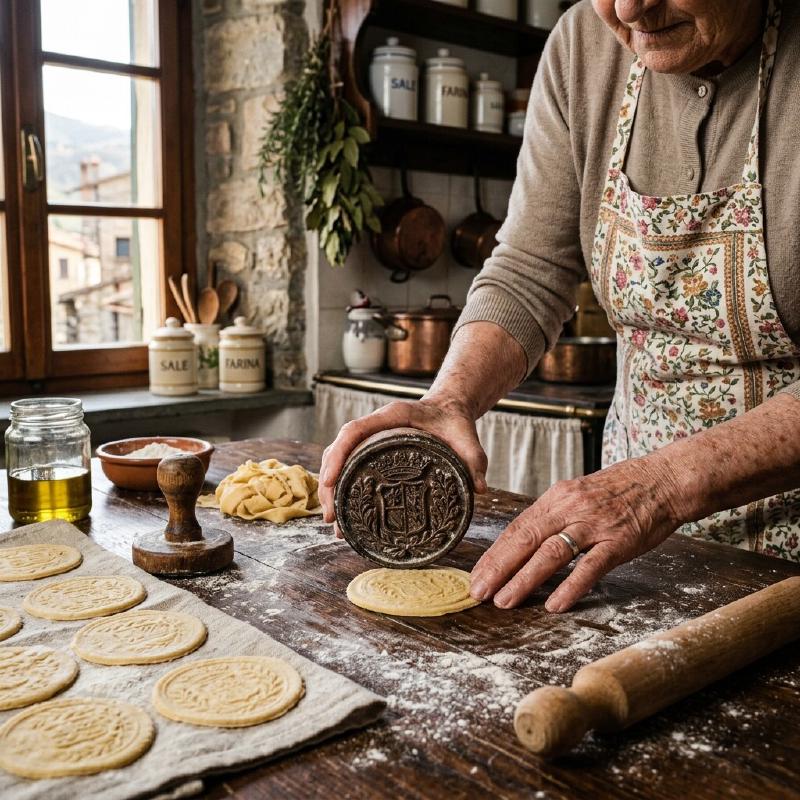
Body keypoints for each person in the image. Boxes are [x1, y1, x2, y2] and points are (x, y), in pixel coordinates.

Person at [319, 0, 800, 613]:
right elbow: (530, 270)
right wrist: (449, 400)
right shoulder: (584, 47)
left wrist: (661, 486)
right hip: (634, 554)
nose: (629, 8)